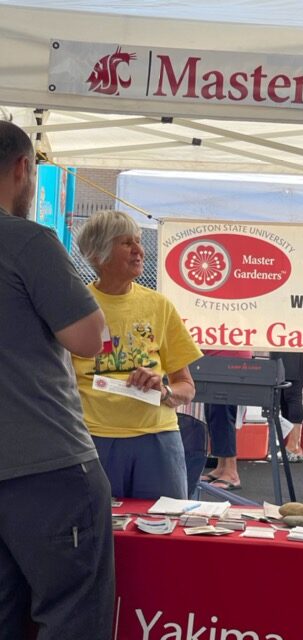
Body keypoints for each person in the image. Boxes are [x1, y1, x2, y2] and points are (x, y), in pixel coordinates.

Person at [0, 121, 114, 638]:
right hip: (44, 465)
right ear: (23, 168)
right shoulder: (27, 241)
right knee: (72, 616)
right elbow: (89, 339)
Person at [72, 210, 202, 500]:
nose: (139, 251)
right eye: (126, 243)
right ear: (98, 255)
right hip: (92, 439)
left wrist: (164, 389)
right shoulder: (74, 306)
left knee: (162, 532)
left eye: (139, 241)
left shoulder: (158, 305)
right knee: (98, 535)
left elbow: (187, 388)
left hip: (158, 438)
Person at [201, 349, 253, 490]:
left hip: (229, 358)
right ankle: (221, 467)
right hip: (215, 357)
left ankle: (231, 472)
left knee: (223, 412)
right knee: (213, 412)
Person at [270, 351, 303, 462]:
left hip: (295, 348)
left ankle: (294, 446)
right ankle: (291, 446)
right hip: (280, 347)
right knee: (282, 397)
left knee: (292, 395)